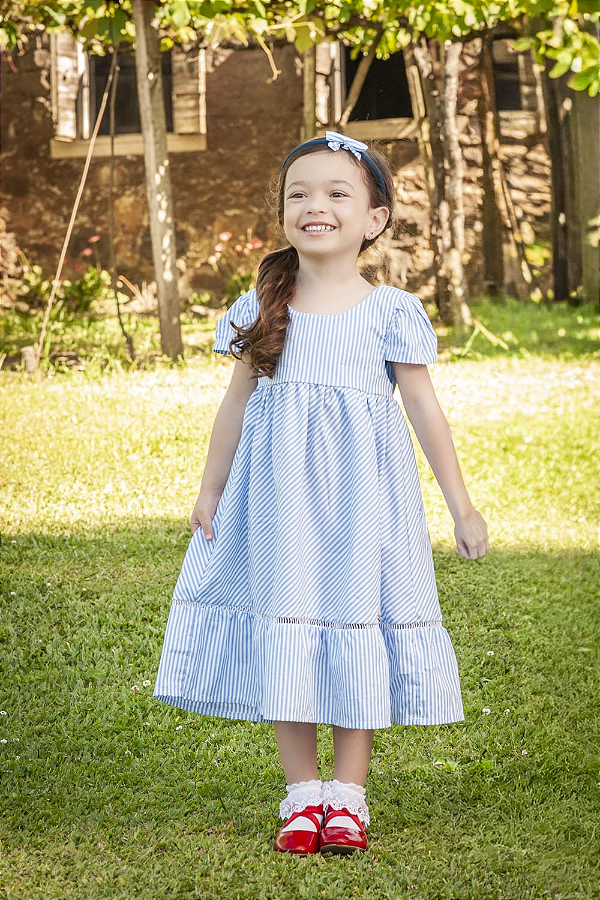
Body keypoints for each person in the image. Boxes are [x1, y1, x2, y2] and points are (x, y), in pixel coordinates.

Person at [153, 131, 489, 856]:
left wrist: (462, 505)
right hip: (279, 506)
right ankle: (302, 793)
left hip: (363, 507)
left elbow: (425, 412)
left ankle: (350, 796)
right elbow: (236, 405)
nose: (316, 205)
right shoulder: (262, 305)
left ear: (374, 217)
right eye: (299, 193)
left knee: (352, 623)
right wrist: (210, 488)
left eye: (338, 193)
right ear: (281, 212)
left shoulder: (390, 312)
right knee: (291, 626)